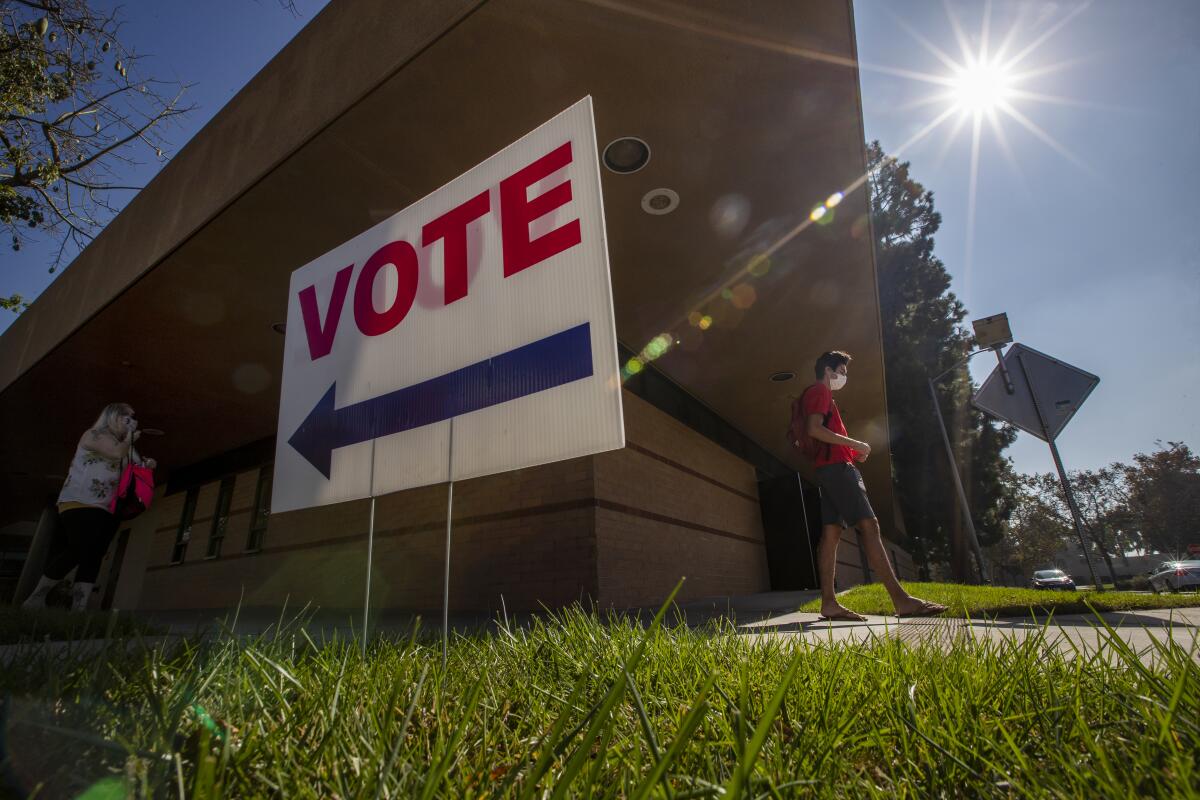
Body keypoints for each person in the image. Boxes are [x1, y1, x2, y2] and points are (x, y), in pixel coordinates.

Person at [798, 351, 946, 621]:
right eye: (842, 371)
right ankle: (902, 601)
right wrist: (856, 444)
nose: (844, 376)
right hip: (837, 472)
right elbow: (814, 429)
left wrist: (852, 452)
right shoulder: (820, 391)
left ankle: (829, 604)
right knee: (870, 526)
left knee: (830, 535)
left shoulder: (821, 395)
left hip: (830, 469)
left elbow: (825, 439)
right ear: (830, 371)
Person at [22, 403, 156, 612]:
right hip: (80, 501)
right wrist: (130, 439)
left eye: (133, 417)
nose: (132, 421)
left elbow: (135, 465)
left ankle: (79, 606)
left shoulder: (127, 446)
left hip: (108, 507)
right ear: (112, 416)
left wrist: (147, 464)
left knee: (95, 553)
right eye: (127, 417)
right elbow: (115, 454)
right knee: (79, 548)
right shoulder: (94, 435)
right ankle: (36, 598)